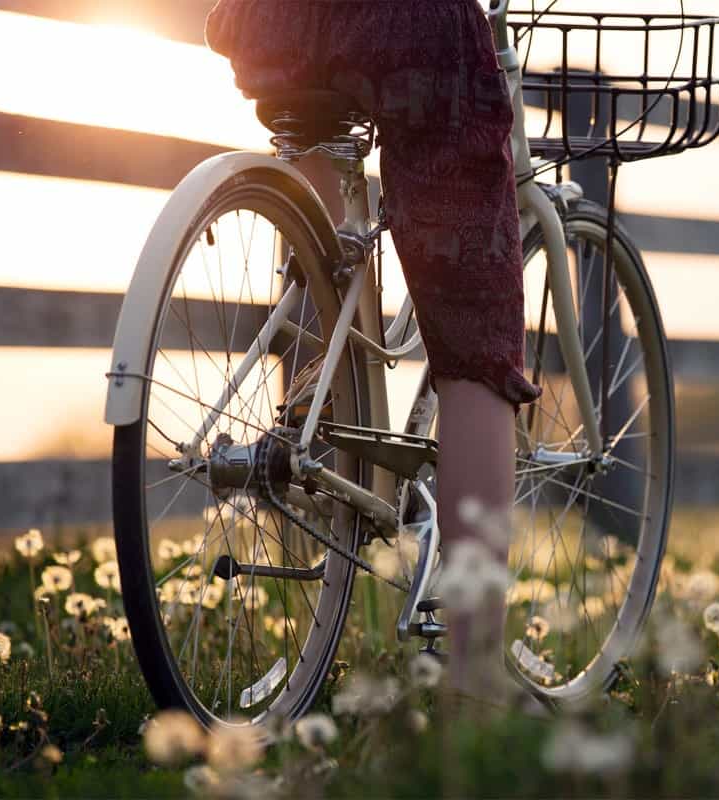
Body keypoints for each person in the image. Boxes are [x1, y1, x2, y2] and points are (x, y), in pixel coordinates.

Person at [204, 0, 541, 706]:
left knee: (320, 250)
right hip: (407, 26)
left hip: (270, 23)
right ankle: (475, 676)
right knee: (476, 334)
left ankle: (316, 440)